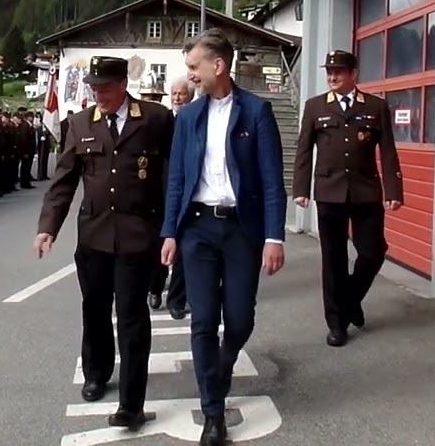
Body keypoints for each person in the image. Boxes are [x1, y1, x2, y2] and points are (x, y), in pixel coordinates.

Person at [160, 30, 286, 446]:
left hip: (240, 230)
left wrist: (274, 237)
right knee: (202, 319)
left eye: (194, 67)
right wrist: (170, 233)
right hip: (196, 228)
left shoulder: (256, 112)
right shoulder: (187, 118)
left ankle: (224, 360)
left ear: (219, 65)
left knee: (240, 318)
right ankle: (212, 412)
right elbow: (176, 179)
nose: (190, 76)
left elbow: (272, 181)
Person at [35, 55, 174, 431]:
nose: (100, 95)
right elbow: (64, 181)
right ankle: (96, 372)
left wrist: (170, 228)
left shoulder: (156, 119)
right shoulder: (80, 124)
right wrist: (48, 226)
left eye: (106, 88)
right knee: (95, 309)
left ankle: (132, 403)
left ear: (123, 84)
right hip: (94, 235)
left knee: (132, 317)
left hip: (138, 235)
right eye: (94, 89)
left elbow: (170, 176)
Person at [293, 49, 403, 347]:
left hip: (365, 192)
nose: (332, 76)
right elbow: (304, 150)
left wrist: (394, 191)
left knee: (373, 252)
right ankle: (336, 323)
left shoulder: (376, 107)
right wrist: (300, 188)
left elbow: (389, 151)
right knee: (333, 260)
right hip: (329, 192)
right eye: (329, 70)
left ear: (354, 74)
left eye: (339, 71)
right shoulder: (315, 107)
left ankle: (351, 300)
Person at [149, 77, 197, 318]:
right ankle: (155, 287)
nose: (177, 98)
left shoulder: (199, 120)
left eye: (182, 94)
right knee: (161, 243)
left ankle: (177, 299)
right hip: (162, 191)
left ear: (191, 96)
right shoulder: (164, 121)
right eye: (174, 93)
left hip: (190, 192)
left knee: (185, 246)